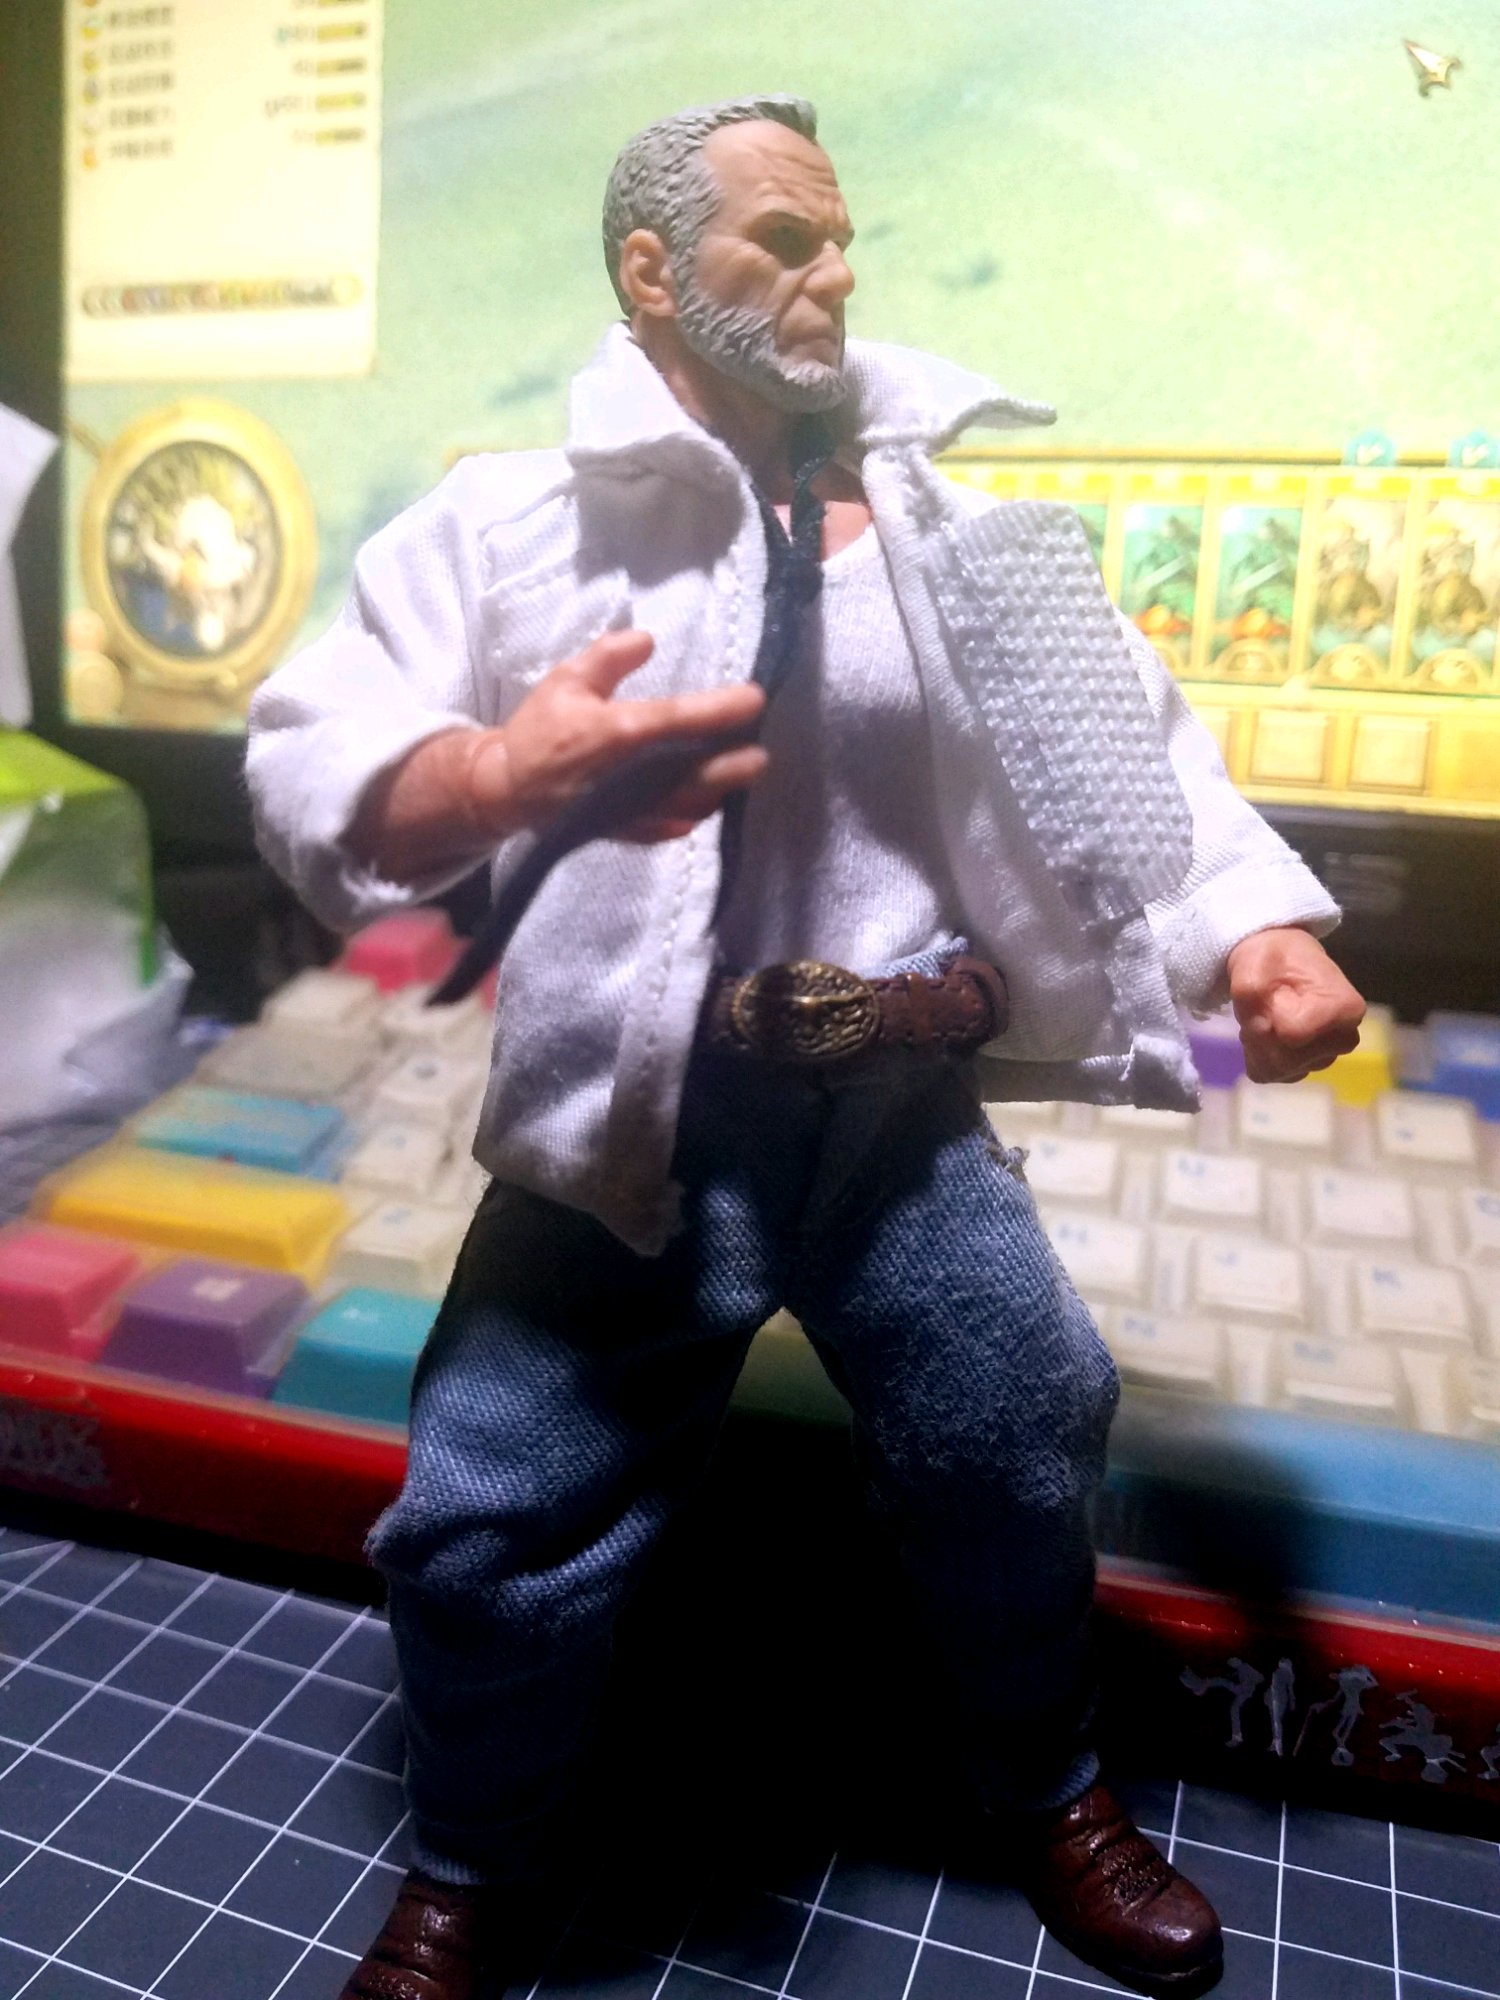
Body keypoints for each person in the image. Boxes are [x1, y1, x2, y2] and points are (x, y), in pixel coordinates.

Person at [247, 96, 1364, 2000]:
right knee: (487, 1512)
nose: (832, 272)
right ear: (653, 274)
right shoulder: (518, 530)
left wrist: (1256, 931)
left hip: (895, 1116)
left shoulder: (965, 536)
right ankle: (474, 1858)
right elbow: (313, 752)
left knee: (1021, 1431)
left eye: (840, 238)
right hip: (645, 1121)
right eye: (783, 239)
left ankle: (1046, 1785)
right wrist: (492, 774)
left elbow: (1138, 764)